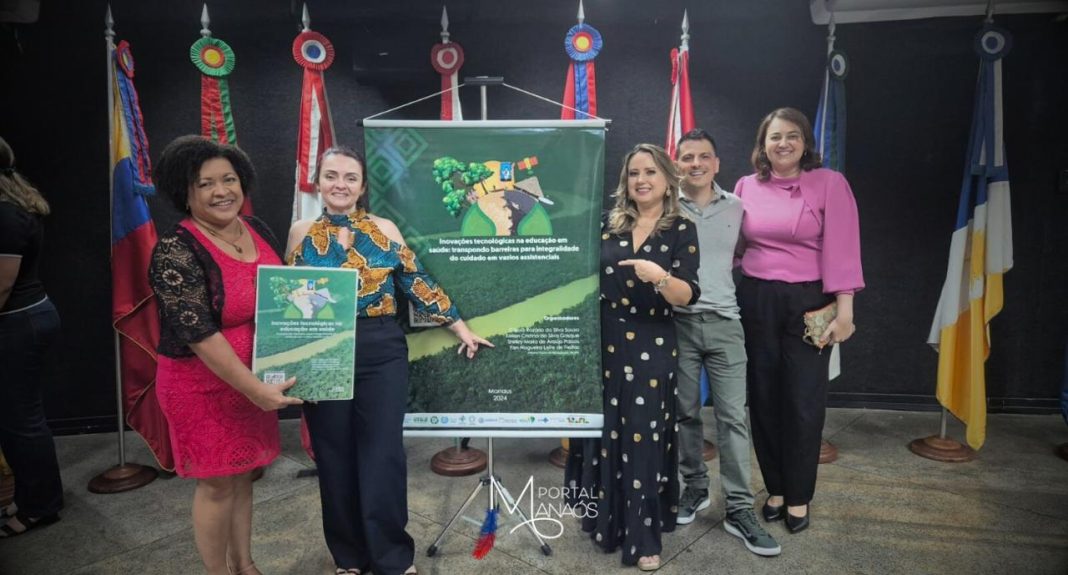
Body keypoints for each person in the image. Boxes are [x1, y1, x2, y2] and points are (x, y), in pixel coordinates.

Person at [286, 146, 492, 575]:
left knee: (382, 456)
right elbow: (285, 298)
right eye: (331, 176)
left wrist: (459, 326)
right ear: (318, 182)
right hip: (321, 349)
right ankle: (349, 558)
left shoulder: (385, 229)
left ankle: (393, 558)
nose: (340, 184)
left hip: (380, 349)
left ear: (362, 187)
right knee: (333, 455)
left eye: (350, 177)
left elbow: (416, 281)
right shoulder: (299, 232)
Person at [148, 135, 303, 575]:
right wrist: (256, 389)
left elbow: (286, 297)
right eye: (205, 184)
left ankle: (246, 566)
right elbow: (198, 334)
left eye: (229, 179)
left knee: (243, 477)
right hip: (202, 388)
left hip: (255, 385)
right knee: (217, 486)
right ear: (185, 192)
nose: (222, 191)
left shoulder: (258, 230)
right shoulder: (175, 251)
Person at [566, 143, 700, 572]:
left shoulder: (681, 228)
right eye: (633, 173)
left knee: (642, 435)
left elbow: (687, 295)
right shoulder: (607, 224)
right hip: (604, 338)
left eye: (650, 172)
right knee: (604, 431)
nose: (641, 180)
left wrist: (659, 276)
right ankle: (603, 520)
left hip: (653, 340)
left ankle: (643, 538)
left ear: (667, 180)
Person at [734, 108, 864, 534]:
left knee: (803, 403)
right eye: (775, 137)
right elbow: (733, 247)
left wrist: (845, 311)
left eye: (792, 136)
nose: (783, 144)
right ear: (763, 144)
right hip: (754, 300)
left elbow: (842, 248)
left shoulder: (829, 183)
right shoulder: (745, 186)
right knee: (764, 396)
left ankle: (799, 494)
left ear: (806, 143)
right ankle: (774, 487)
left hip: (809, 302)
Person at [671, 129, 781, 556]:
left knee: (734, 417)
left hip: (726, 323)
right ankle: (694, 488)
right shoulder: (665, 208)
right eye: (686, 158)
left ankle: (738, 508)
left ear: (717, 164)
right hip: (677, 323)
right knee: (684, 412)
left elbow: (755, 252)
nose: (695, 164)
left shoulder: (738, 208)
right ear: (676, 164)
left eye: (704, 157)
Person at [0, 137, 63, 538]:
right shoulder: (13, 205)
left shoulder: (5, 215)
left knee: (19, 420)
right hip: (24, 320)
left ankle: (39, 507)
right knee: (17, 418)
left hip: (17, 323)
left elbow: (1, 287)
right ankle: (32, 497)